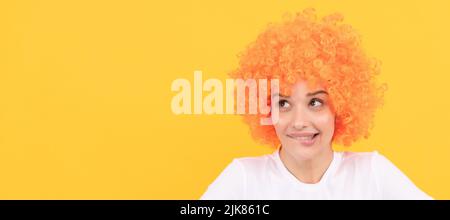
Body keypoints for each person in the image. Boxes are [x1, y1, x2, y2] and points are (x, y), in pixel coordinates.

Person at [200, 8, 432, 200]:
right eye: (283, 103)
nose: (299, 122)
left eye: (315, 102)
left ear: (339, 108)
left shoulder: (372, 174)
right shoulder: (244, 181)